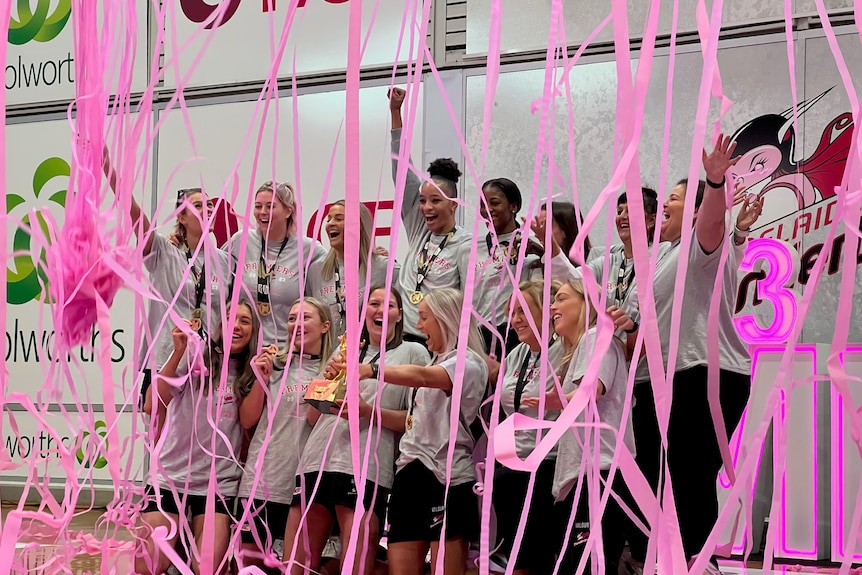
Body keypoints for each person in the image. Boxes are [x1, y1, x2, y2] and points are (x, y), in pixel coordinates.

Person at [618, 135, 765, 574]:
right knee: (654, 478)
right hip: (655, 381)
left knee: (689, 475)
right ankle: (665, 561)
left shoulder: (699, 248)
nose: (664, 205)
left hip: (702, 374)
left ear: (697, 211)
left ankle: (699, 565)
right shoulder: (661, 255)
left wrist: (715, 183)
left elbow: (713, 226)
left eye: (675, 200)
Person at [284, 287, 428, 575]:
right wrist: (326, 383)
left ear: (400, 314)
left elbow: (416, 421)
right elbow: (313, 417)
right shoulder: (345, 348)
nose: (379, 310)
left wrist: (368, 412)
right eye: (373, 303)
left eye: (388, 305)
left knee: (355, 566)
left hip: (364, 467)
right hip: (317, 459)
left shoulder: (412, 353)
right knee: (297, 567)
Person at [137, 300, 260, 575]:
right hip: (171, 477)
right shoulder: (195, 356)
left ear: (254, 331)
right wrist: (179, 351)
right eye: (230, 317)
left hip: (218, 485)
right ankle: (176, 545)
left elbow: (249, 422)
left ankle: (185, 546)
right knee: (148, 565)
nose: (236, 326)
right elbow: (151, 405)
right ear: (219, 324)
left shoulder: (253, 373)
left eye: (245, 320)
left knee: (207, 568)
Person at [105, 151, 231, 417]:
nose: (207, 210)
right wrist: (107, 165)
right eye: (198, 206)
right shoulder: (163, 251)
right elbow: (132, 210)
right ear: (182, 217)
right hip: (166, 359)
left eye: (209, 206)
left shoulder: (224, 261)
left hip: (209, 365)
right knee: (160, 441)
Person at [372, 288, 488, 575]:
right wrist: (367, 412)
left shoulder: (469, 363)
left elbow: (424, 378)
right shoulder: (434, 362)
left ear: (445, 318)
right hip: (410, 473)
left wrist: (370, 369)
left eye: (424, 317)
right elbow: (413, 421)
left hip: (447, 478)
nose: (419, 326)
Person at [533, 278, 632, 575]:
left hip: (597, 476)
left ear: (586, 303)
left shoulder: (595, 337)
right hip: (581, 479)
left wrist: (559, 400)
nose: (552, 306)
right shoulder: (582, 346)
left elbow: (591, 392)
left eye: (561, 298)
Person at [236, 298, 334, 574]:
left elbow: (316, 421)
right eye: (291, 318)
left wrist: (329, 380)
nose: (296, 324)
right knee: (250, 566)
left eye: (304, 318)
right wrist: (261, 380)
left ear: (325, 326)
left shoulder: (331, 371)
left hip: (303, 487)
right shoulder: (274, 365)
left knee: (296, 568)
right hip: (262, 479)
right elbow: (247, 419)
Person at [388, 87, 471, 347]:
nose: (426, 207)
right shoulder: (417, 227)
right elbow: (401, 166)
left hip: (438, 341)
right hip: (402, 338)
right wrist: (395, 112)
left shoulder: (464, 243)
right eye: (422, 201)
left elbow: (469, 300)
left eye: (436, 201)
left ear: (453, 205)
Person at [492, 280, 563, 575]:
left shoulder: (564, 350)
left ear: (546, 312)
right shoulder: (517, 355)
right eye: (512, 311)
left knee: (536, 558)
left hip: (547, 464)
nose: (515, 319)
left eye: (523, 311)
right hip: (512, 468)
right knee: (518, 559)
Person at [229, 181, 327, 347]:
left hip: (287, 352)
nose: (262, 212)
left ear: (288, 211)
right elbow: (210, 265)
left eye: (270, 206)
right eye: (258, 206)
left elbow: (338, 268)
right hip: (246, 352)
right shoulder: (241, 240)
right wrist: (179, 244)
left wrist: (372, 253)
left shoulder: (309, 249)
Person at [464, 178, 541, 358]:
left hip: (516, 333)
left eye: (495, 203)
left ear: (513, 207)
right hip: (479, 335)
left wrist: (542, 253)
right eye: (483, 204)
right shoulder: (469, 248)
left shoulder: (531, 245)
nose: (487, 210)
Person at [307, 201, 395, 340]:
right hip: (327, 358)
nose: (330, 224)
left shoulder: (384, 268)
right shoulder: (315, 270)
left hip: (366, 357)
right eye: (329, 219)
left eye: (339, 218)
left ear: (358, 226)